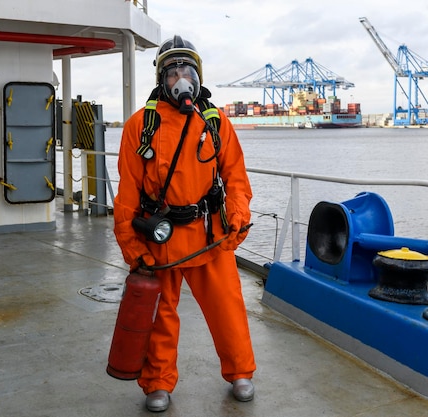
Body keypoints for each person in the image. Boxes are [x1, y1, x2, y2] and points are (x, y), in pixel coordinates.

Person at [113, 34, 256, 412]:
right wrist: (133, 246)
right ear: (161, 77)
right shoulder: (139, 126)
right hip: (161, 239)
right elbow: (127, 194)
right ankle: (157, 381)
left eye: (186, 69)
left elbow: (237, 180)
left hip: (210, 237)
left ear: (198, 75)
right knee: (160, 315)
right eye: (173, 70)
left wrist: (237, 218)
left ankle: (240, 371)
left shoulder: (215, 121)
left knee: (228, 308)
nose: (181, 77)